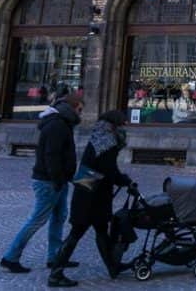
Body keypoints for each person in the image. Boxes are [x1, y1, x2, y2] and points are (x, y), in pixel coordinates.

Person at [48, 110, 133, 287]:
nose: (125, 127)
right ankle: (55, 274)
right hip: (92, 195)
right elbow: (108, 170)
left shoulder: (99, 138)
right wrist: (124, 181)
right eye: (123, 124)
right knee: (77, 233)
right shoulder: (108, 142)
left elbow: (104, 168)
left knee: (101, 230)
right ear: (114, 125)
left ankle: (112, 266)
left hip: (88, 190)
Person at [1, 93, 82, 274]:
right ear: (72, 107)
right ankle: (10, 257)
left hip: (57, 180)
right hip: (49, 181)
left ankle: (55, 257)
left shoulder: (61, 123)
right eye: (80, 108)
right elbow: (51, 155)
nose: (81, 113)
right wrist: (57, 179)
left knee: (59, 217)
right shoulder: (57, 125)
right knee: (37, 219)